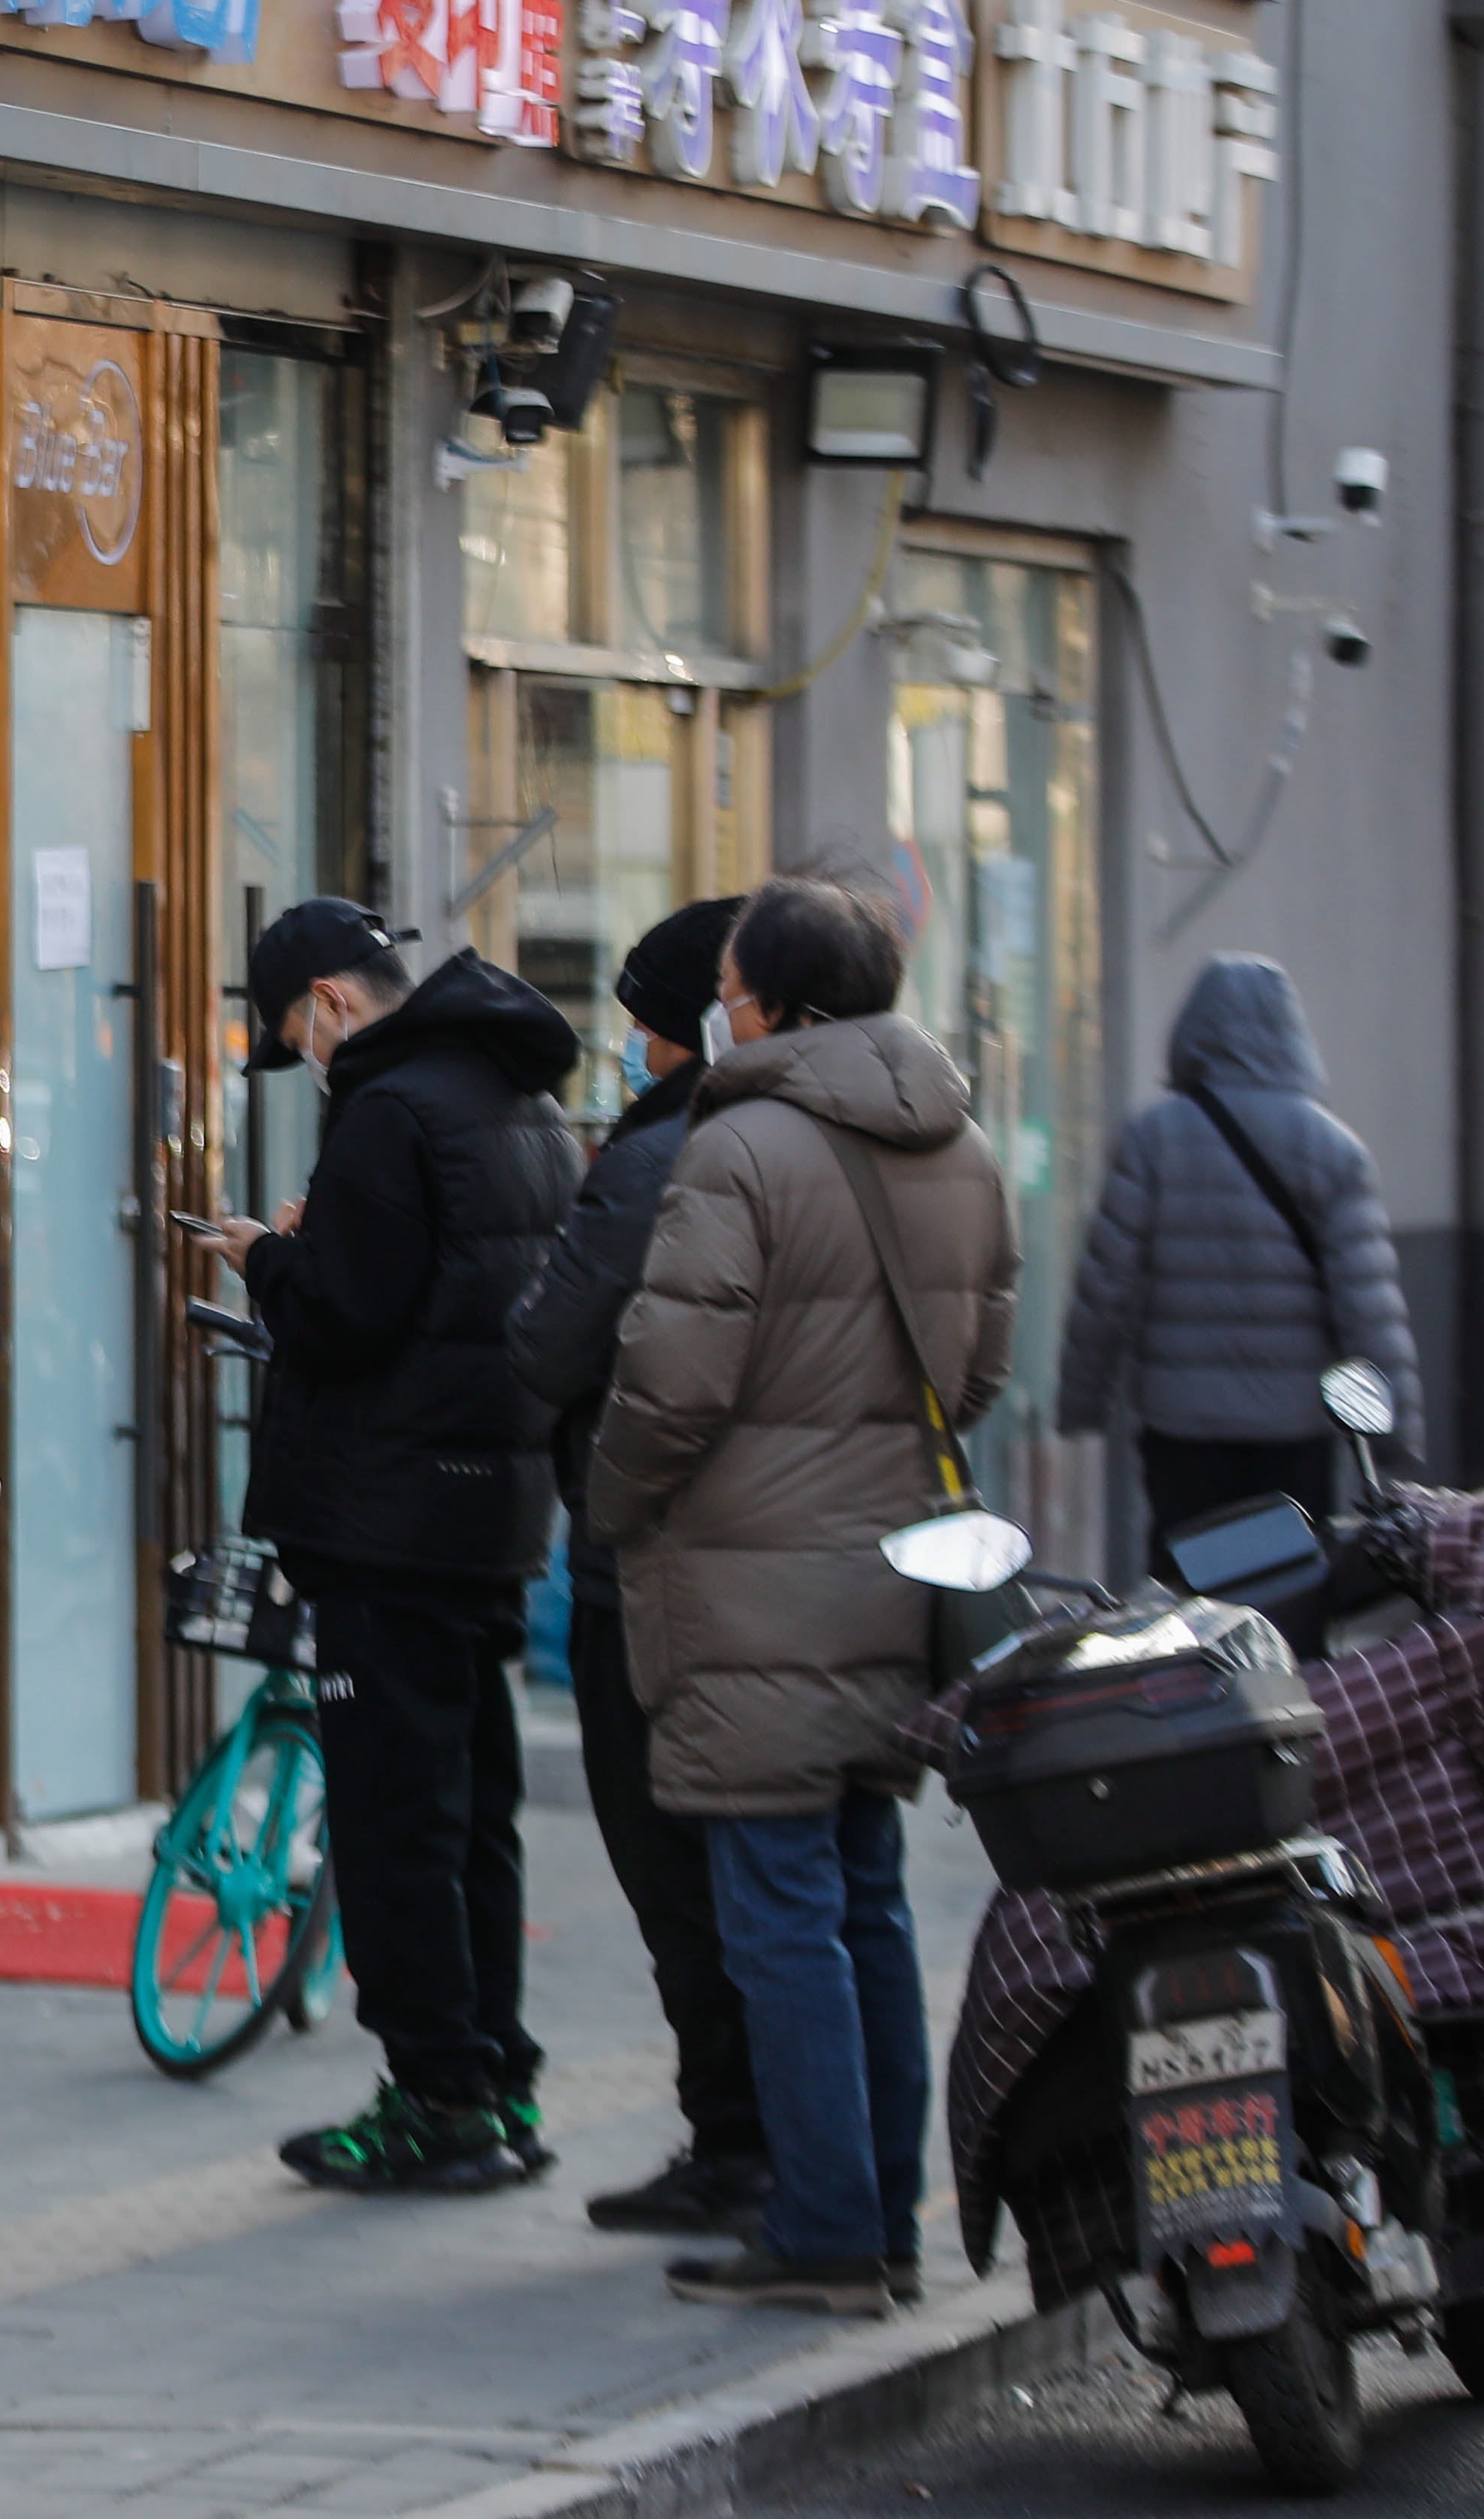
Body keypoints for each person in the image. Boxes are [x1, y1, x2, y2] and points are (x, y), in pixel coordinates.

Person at [593, 876, 1018, 2317]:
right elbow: (978, 1372)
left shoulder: (745, 1145)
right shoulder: (958, 1142)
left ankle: (830, 2228)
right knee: (868, 1900)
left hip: (748, 1582)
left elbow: (669, 1383)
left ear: (769, 1002)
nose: (720, 1006)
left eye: (729, 982)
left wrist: (615, 1505)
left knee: (777, 1906)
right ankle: (885, 2219)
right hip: (895, 1570)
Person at [202, 898, 579, 2197]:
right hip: (490, 1514)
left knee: (397, 1822)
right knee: (475, 1814)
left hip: (391, 1522)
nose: (303, 1051)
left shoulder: (389, 1110)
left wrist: (268, 1258)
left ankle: (435, 2098)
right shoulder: (510, 1097)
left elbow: (351, 1317)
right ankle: (493, 2074)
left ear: (332, 1001)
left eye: (294, 1028)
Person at [504, 896, 769, 2244]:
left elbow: (558, 1343)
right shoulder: (860, 1137)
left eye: (642, 1024)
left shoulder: (667, 1151)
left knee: (679, 1863)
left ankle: (740, 2142)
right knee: (808, 1881)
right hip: (807, 1565)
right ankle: (823, 2161)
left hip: (658, 1562)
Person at [1055, 954, 1422, 1569]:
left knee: (1191, 1590)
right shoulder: (1335, 1152)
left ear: (1193, 1034)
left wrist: (1081, 1400)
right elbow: (1370, 1309)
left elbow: (1105, 1286)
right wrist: (1394, 1438)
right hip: (1293, 1429)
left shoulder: (1153, 1139)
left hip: (1182, 1428)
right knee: (1285, 1587)